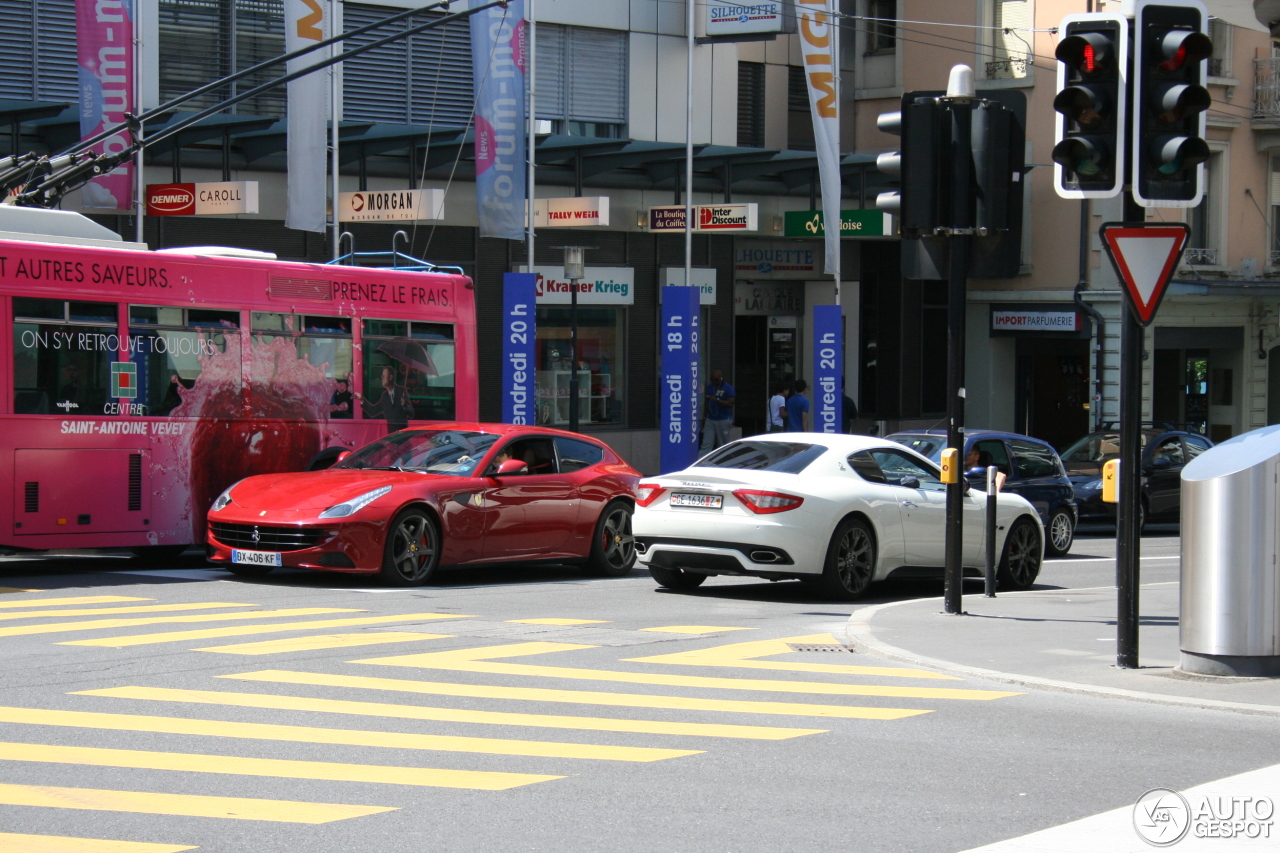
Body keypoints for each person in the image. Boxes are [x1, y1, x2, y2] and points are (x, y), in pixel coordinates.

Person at [356, 365, 415, 433]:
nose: (382, 377)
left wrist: (405, 405)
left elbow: (411, 414)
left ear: (390, 377)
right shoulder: (385, 396)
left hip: (402, 436)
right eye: (382, 375)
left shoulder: (401, 391)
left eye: (384, 375)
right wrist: (362, 399)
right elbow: (373, 411)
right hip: (391, 436)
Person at [700, 369, 736, 452]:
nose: (714, 381)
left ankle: (724, 463)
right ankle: (701, 463)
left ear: (721, 378)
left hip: (723, 419)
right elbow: (707, 402)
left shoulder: (728, 388)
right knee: (706, 444)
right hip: (710, 419)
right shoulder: (710, 386)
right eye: (712, 379)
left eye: (716, 379)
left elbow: (731, 404)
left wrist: (717, 400)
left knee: (722, 444)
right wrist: (705, 416)